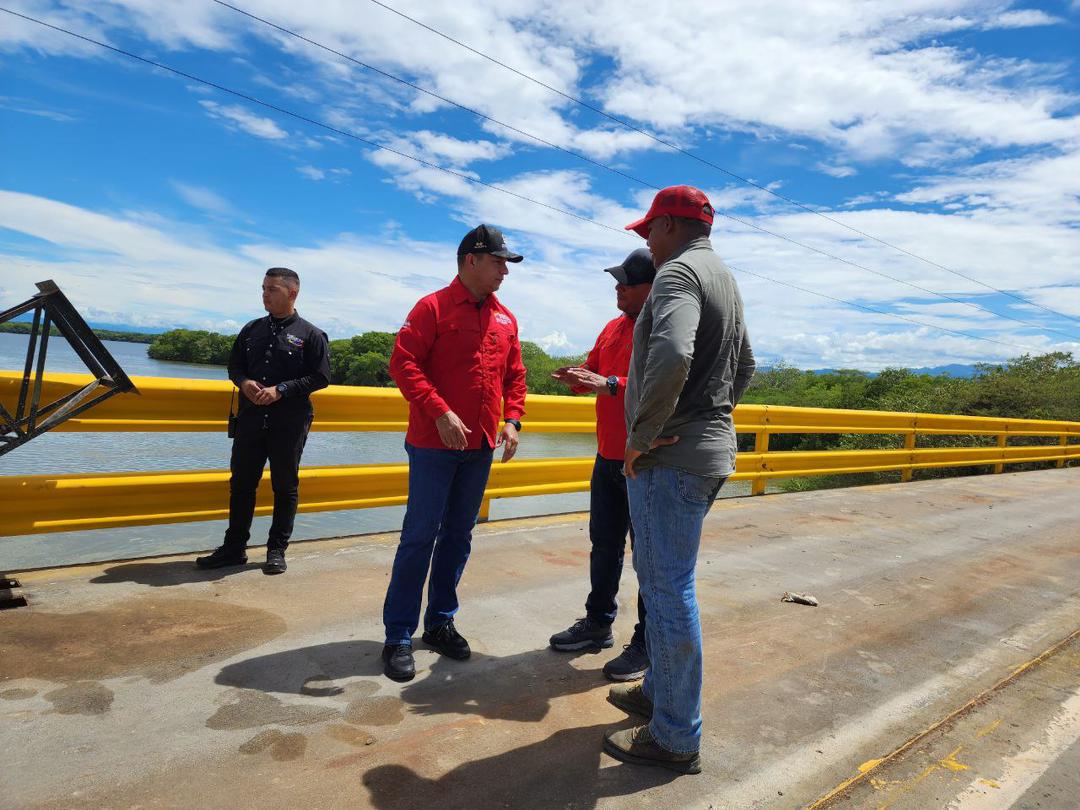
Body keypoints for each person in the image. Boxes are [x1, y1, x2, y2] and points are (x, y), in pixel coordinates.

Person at [602, 186, 756, 774]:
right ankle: (659, 696)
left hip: (670, 460)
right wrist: (708, 419)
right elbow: (745, 366)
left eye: (648, 230)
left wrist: (645, 433)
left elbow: (670, 352)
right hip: (704, 453)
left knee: (668, 593)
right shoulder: (723, 277)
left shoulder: (677, 275)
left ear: (669, 224)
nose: (644, 239)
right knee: (668, 585)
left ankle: (675, 737)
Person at [380, 224, 528, 682]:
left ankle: (440, 622)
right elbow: (402, 363)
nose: (505, 270)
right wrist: (439, 410)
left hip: (480, 445)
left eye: (507, 263)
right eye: (499, 261)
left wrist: (513, 420)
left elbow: (515, 377)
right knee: (419, 536)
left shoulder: (506, 319)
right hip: (433, 444)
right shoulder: (432, 308)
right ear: (471, 260)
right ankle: (399, 634)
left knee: (459, 536)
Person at [548, 248, 655, 682]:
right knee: (604, 546)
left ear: (650, 286)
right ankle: (597, 623)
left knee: (649, 557)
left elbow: (659, 385)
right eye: (617, 281)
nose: (618, 287)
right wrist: (579, 376)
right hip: (607, 455)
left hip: (645, 460)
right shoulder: (613, 327)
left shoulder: (661, 326)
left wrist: (609, 383)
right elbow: (595, 371)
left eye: (627, 282)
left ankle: (648, 642)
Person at [196, 267, 330, 575]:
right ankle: (234, 548)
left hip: (289, 422)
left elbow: (321, 377)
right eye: (263, 288)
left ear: (292, 293)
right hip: (250, 419)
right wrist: (243, 382)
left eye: (272, 289)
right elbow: (235, 366)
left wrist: (281, 389)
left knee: (285, 486)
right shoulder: (251, 329)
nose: (265, 294)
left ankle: (276, 550)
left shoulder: (311, 334)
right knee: (241, 484)